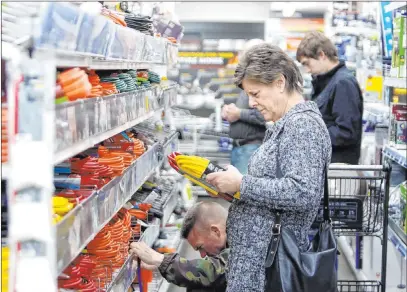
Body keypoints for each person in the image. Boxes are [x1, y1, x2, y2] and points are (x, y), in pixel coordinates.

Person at [206, 43, 331, 292]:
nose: (251, 103)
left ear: (279, 83)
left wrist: (242, 184)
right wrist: (236, 191)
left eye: (256, 93)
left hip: (269, 267)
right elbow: (275, 187)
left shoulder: (302, 126)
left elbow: (302, 191)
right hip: (258, 263)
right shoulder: (283, 124)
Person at [296, 31, 363, 165]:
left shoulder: (343, 83)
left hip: (338, 170)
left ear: (321, 55)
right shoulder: (327, 83)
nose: (307, 70)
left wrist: (310, 137)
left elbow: (346, 132)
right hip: (328, 166)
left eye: (307, 63)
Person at [130, 201, 229, 292]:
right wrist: (160, 265)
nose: (203, 255)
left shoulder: (241, 241)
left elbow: (214, 271)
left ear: (216, 231)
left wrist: (161, 260)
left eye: (200, 247)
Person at [222, 39, 266, 174]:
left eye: (244, 52)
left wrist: (238, 113)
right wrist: (230, 111)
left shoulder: (262, 81)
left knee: (243, 192)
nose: (240, 55)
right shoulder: (249, 78)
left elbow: (263, 115)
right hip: (240, 148)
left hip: (251, 149)